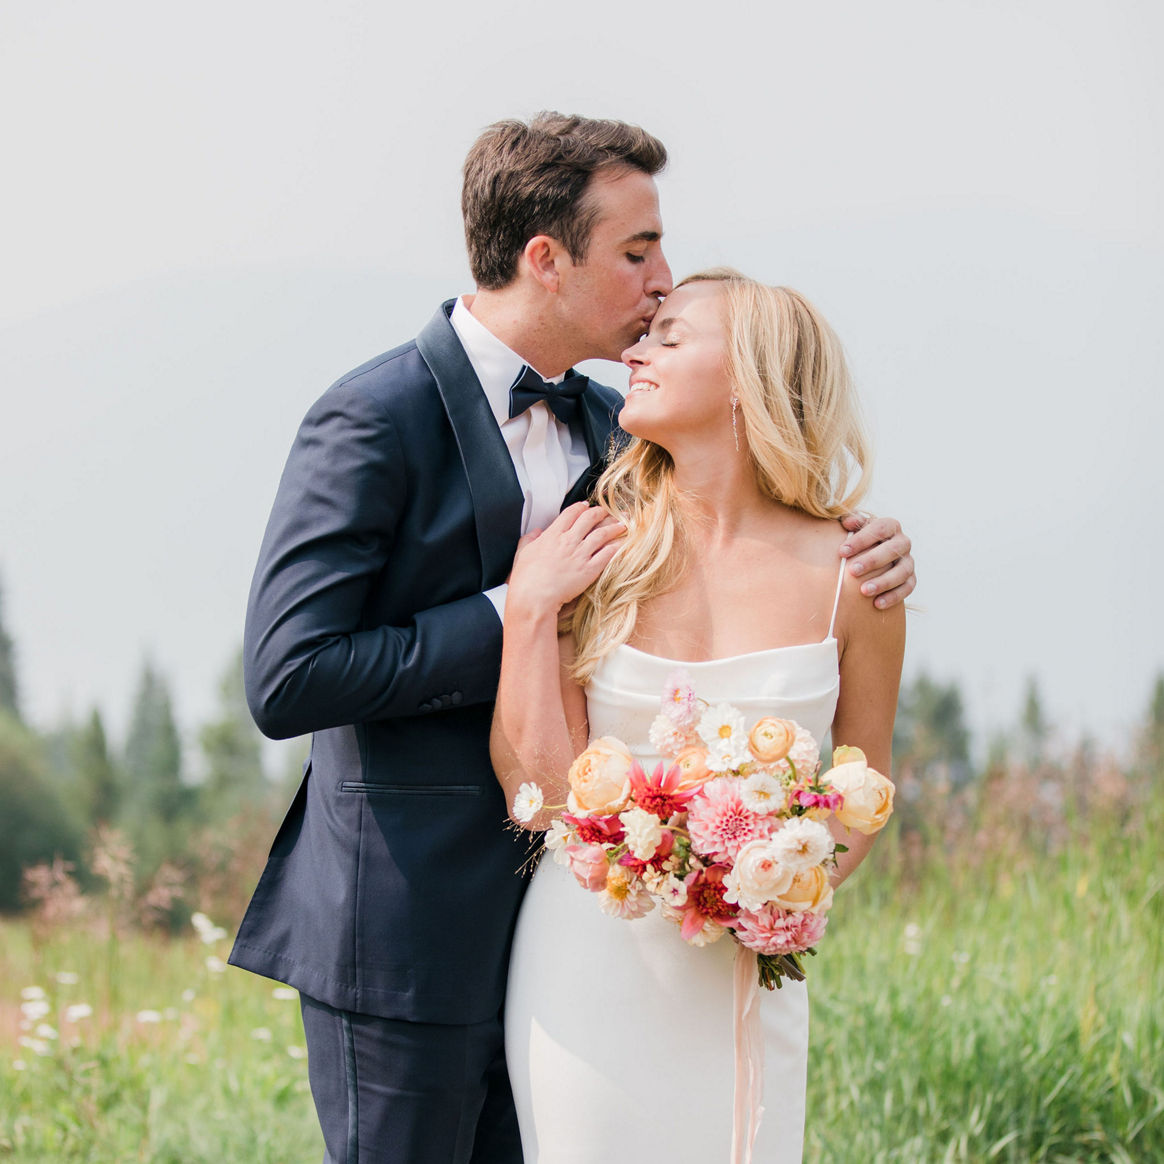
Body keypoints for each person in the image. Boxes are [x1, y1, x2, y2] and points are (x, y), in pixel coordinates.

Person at [230, 112, 915, 1164]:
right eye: (637, 251)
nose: (660, 278)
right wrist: (519, 606)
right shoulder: (372, 415)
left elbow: (733, 531)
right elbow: (289, 677)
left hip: (590, 930)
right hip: (409, 928)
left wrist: (866, 552)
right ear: (547, 259)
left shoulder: (620, 428)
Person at [491, 269, 907, 1161]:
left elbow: (863, 786)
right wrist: (527, 611)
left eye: (669, 338)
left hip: (743, 969)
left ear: (751, 375)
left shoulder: (858, 577)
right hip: (588, 959)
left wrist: (778, 889)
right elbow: (535, 787)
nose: (634, 351)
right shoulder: (591, 549)